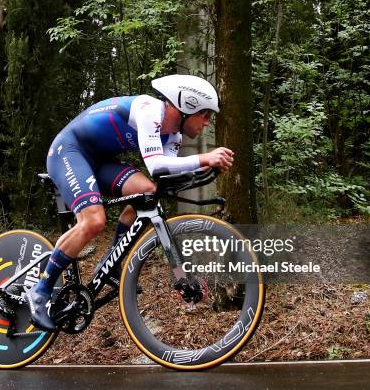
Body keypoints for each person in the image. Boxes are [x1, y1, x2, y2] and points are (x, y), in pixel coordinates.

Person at [27, 74, 234, 331]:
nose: (206, 123)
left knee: (147, 191)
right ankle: (40, 290)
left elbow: (163, 176)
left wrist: (205, 172)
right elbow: (157, 164)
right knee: (93, 220)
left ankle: (110, 264)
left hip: (100, 160)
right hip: (70, 150)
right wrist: (205, 159)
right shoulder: (149, 110)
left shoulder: (174, 137)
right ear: (187, 106)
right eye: (205, 115)